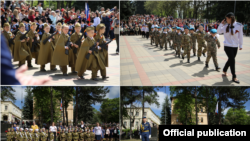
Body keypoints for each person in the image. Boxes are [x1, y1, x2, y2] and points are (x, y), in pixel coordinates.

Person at [217, 12, 243, 83]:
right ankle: (234, 76)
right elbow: (218, 31)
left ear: (230, 18)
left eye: (226, 18)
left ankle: (225, 69)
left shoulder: (239, 25)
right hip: (227, 46)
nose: (225, 20)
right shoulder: (225, 26)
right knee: (232, 60)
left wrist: (241, 45)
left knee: (231, 59)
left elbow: (240, 35)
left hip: (235, 46)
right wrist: (221, 24)